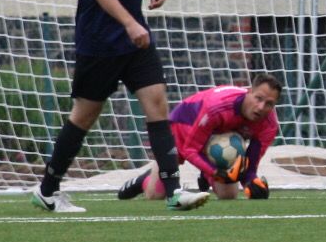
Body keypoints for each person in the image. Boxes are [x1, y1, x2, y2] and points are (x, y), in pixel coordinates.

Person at [34, 0, 208, 214]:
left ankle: (174, 191)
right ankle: (48, 189)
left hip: (134, 41)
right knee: (84, 115)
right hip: (101, 42)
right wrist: (130, 23)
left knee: (157, 102)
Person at [118, 74, 282, 201]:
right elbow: (190, 149)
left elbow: (251, 164)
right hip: (183, 127)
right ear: (249, 92)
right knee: (155, 194)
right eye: (258, 98)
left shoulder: (269, 124)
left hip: (215, 137)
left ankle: (205, 176)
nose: (261, 107)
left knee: (228, 195)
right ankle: (145, 179)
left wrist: (251, 184)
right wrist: (215, 172)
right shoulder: (217, 108)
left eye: (269, 103)